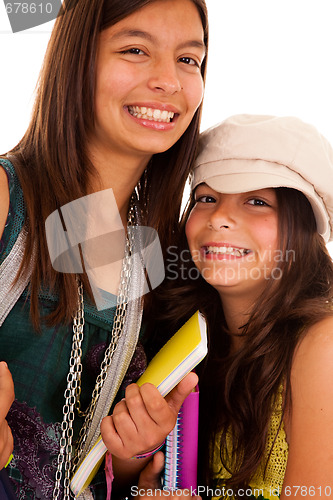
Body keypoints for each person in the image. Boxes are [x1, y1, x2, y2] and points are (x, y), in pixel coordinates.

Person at [0, 0, 208, 498]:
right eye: (135, 49)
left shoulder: (153, 250)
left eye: (189, 59)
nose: (170, 81)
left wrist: (132, 453)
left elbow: (95, 462)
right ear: (76, 62)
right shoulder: (6, 200)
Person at [142, 114, 333, 499]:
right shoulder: (189, 341)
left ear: (304, 228)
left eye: (257, 201)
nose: (220, 218)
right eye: (206, 198)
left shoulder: (323, 345)